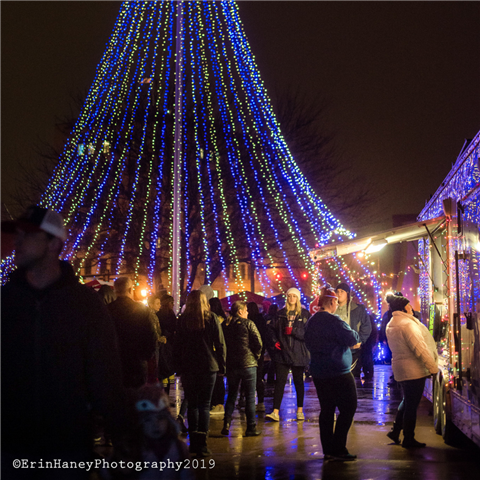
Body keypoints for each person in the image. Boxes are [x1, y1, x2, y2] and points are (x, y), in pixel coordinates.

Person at [0, 206, 128, 479]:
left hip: (67, 452)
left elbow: (105, 379)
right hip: (10, 450)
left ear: (54, 243)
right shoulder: (6, 303)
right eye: (17, 234)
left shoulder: (85, 306)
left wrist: (125, 444)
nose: (18, 241)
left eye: (28, 234)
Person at [305, 286, 361, 461]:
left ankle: (328, 449)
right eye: (336, 301)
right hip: (339, 372)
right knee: (349, 407)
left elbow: (307, 342)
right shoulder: (335, 321)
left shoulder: (312, 321)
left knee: (327, 410)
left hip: (320, 372)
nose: (337, 304)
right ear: (331, 301)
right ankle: (339, 447)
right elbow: (353, 338)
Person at [174, 290, 226, 457]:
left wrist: (178, 366)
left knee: (193, 405)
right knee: (204, 404)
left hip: (189, 366)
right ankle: (202, 443)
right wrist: (222, 365)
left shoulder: (183, 320)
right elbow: (220, 344)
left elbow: (177, 345)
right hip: (208, 366)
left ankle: (193, 442)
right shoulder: (211, 318)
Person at [386, 294, 438, 448]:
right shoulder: (407, 325)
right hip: (413, 371)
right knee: (411, 405)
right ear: (403, 308)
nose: (411, 308)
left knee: (407, 400)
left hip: (401, 369)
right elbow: (420, 349)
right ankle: (408, 438)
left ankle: (395, 431)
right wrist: (433, 368)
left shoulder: (392, 323)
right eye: (409, 305)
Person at [266, 288, 310, 422]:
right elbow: (270, 330)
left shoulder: (304, 314)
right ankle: (275, 411)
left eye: (294, 296)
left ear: (298, 299)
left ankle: (300, 410)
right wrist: (274, 342)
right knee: (279, 382)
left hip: (298, 353)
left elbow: (308, 334)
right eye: (289, 296)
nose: (291, 299)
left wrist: (293, 331)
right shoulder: (280, 315)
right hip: (282, 353)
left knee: (298, 382)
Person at [221, 301, 263, 437]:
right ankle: (250, 427)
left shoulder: (225, 325)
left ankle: (226, 424)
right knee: (250, 397)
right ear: (240, 311)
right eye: (246, 310)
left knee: (232, 395)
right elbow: (258, 343)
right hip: (249, 364)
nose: (248, 312)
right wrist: (255, 356)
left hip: (232, 365)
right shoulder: (248, 323)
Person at [109, 277, 158, 388]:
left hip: (115, 364)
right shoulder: (142, 310)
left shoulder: (107, 310)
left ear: (115, 291)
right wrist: (146, 356)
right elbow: (151, 336)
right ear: (131, 290)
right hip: (137, 363)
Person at [335, 283, 372, 378]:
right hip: (336, 350)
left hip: (353, 350)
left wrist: (359, 341)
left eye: (342, 291)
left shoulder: (358, 309)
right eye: (337, 291)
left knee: (352, 377)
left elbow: (366, 326)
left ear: (347, 294)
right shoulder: (332, 309)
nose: (339, 294)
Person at [247, 301, 267, 411]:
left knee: (247, 377)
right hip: (259, 352)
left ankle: (245, 400)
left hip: (248, 353)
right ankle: (260, 402)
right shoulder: (261, 320)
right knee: (258, 378)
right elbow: (264, 336)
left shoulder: (247, 321)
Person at [209, 297, 227, 416]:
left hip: (214, 351)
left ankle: (218, 404)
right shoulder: (224, 319)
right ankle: (218, 403)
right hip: (221, 351)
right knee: (219, 378)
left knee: (216, 379)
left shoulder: (213, 319)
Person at [156, 294, 176, 395]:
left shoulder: (159, 314)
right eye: (171, 302)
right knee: (167, 371)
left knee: (163, 371)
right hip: (168, 345)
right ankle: (166, 394)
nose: (173, 304)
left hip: (163, 345)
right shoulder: (170, 315)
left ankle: (163, 394)